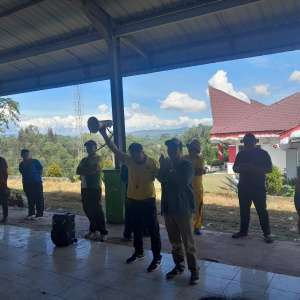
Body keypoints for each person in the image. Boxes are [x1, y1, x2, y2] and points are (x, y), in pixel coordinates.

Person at [99, 128, 162, 273]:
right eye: (132, 155)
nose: (134, 158)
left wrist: (165, 168)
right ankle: (139, 252)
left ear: (142, 152)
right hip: (133, 201)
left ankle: (157, 258)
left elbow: (161, 178)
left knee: (153, 231)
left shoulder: (152, 163)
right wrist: (103, 133)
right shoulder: (129, 160)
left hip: (148, 201)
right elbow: (114, 149)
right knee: (136, 229)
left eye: (137, 155)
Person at [158, 138, 199, 285]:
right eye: (169, 148)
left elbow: (183, 182)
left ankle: (194, 271)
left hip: (184, 209)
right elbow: (160, 179)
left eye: (174, 149)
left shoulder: (186, 165)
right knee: (175, 242)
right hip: (169, 210)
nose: (171, 151)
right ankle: (179, 267)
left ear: (180, 151)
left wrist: (170, 168)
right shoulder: (168, 164)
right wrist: (162, 167)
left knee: (188, 243)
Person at [232, 133, 273, 243]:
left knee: (262, 211)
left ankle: (267, 234)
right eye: (245, 143)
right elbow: (234, 168)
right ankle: (243, 231)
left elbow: (270, 169)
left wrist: (253, 168)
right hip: (243, 187)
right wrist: (240, 168)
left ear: (255, 142)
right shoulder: (240, 154)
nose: (247, 145)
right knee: (244, 211)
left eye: (249, 143)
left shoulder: (263, 154)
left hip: (258, 187)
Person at [76, 140, 108, 241]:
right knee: (87, 208)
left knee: (97, 210)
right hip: (85, 187)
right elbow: (78, 171)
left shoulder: (99, 158)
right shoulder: (84, 159)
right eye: (87, 147)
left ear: (95, 147)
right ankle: (93, 229)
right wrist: (89, 170)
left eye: (91, 146)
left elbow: (95, 169)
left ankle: (103, 232)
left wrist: (85, 170)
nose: (89, 148)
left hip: (95, 187)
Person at [121, 164, 149, 241]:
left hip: (131, 192)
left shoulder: (126, 163)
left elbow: (123, 179)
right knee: (142, 212)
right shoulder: (146, 162)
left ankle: (128, 233)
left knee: (130, 214)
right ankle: (144, 230)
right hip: (141, 193)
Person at [182, 140, 205, 235]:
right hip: (185, 187)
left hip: (197, 187)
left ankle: (197, 226)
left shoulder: (200, 159)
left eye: (193, 148)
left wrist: (186, 170)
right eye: (190, 148)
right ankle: (186, 226)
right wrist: (194, 170)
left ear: (197, 150)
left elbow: (199, 172)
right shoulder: (183, 158)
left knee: (198, 207)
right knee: (185, 207)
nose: (190, 150)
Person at [19, 149, 44, 219]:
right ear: (21, 155)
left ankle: (39, 214)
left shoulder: (35, 162)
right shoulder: (21, 164)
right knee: (30, 199)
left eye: (27, 154)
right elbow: (22, 173)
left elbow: (41, 170)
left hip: (36, 183)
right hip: (27, 184)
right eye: (24, 154)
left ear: (29, 155)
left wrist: (36, 177)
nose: (26, 156)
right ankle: (31, 213)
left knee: (39, 198)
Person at [0, 156, 8, 222]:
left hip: (1, 184)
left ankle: (5, 216)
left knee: (3, 201)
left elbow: (5, 172)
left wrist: (5, 183)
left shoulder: (2, 160)